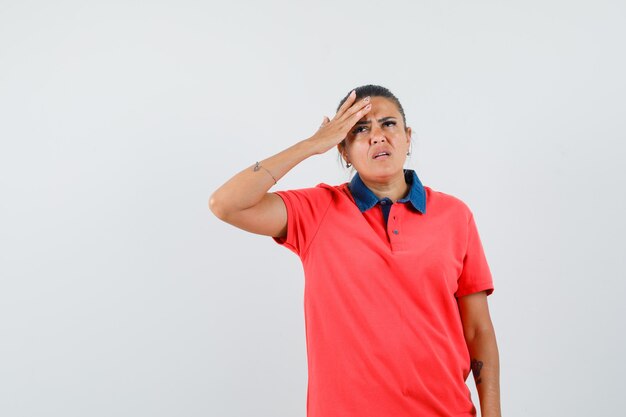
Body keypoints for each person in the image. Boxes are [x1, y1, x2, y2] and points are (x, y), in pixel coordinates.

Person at [209, 84, 501, 417]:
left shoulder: (454, 215)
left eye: (388, 124)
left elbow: (478, 330)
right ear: (343, 151)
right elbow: (226, 204)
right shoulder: (316, 211)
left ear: (407, 137)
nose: (377, 136)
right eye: (360, 129)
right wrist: (310, 145)